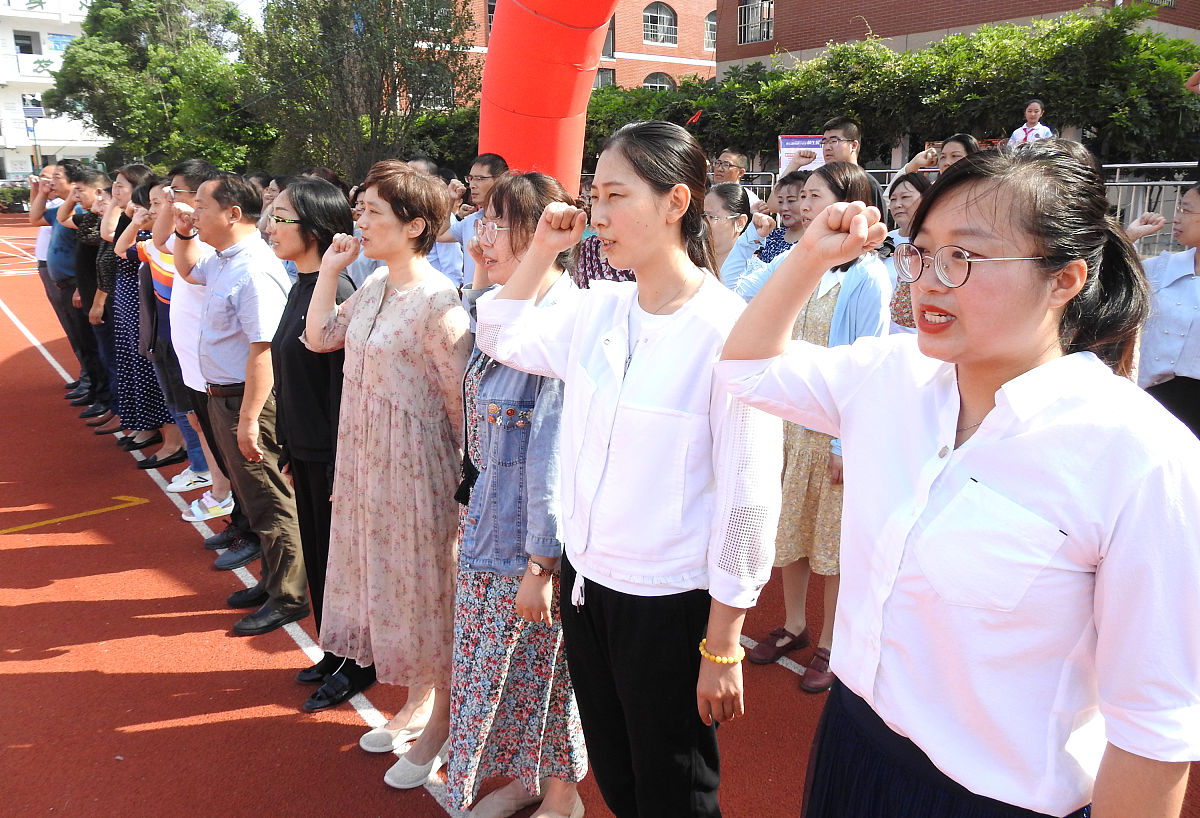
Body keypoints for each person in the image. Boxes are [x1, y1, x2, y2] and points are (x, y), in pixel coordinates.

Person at [718, 140, 1198, 817]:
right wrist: (810, 255)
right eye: (922, 250)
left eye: (964, 256)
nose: (930, 278)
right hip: (853, 746)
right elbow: (743, 368)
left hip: (995, 799)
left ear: (1065, 280)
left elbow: (1154, 731)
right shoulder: (892, 375)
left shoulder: (1139, 457)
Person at [476, 120, 782, 818]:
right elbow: (500, 330)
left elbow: (749, 498)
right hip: (589, 588)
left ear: (676, 202)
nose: (598, 214)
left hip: (670, 602)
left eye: (615, 195)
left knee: (676, 788)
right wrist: (545, 249)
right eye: (593, 194)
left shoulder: (728, 331)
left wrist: (725, 643)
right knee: (617, 774)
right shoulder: (599, 310)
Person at [304, 160, 472, 789]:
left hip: (419, 472)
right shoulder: (372, 285)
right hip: (366, 462)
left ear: (417, 224)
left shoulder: (439, 300)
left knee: (430, 592)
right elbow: (319, 336)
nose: (361, 221)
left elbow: (460, 401)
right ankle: (419, 702)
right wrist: (330, 270)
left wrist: (463, 491)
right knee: (395, 586)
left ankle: (442, 724)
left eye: (374, 211)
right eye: (362, 208)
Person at [449, 171, 588, 818]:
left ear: (541, 233)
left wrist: (542, 559)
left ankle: (562, 797)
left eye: (496, 224)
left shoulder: (564, 319)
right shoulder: (503, 303)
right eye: (480, 221)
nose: (483, 237)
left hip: (530, 540)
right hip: (487, 524)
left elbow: (552, 457)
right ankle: (529, 779)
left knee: (552, 671)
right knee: (501, 673)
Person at [741, 162, 890, 696]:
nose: (802, 205)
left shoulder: (868, 276)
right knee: (794, 533)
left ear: (846, 201)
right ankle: (796, 624)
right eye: (801, 196)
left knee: (834, 544)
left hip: (831, 434)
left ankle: (831, 639)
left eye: (815, 196)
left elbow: (866, 365)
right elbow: (740, 292)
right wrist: (749, 236)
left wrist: (843, 442)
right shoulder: (799, 261)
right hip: (788, 428)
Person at [172, 173, 310, 636]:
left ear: (233, 213)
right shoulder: (225, 258)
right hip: (223, 395)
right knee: (254, 500)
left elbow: (264, 349)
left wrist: (250, 418)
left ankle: (289, 597)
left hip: (245, 400)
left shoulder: (253, 267)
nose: (195, 213)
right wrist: (185, 232)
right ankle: (273, 582)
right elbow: (188, 269)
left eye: (202, 208)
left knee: (270, 500)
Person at [262, 176, 373, 711]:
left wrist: (336, 465)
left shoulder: (339, 293)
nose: (271, 227)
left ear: (312, 224)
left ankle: (357, 663)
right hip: (303, 450)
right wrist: (287, 444)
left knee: (340, 561)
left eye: (281, 217)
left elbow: (340, 391)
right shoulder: (301, 284)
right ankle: (335, 649)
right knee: (320, 555)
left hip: (331, 457)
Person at [1136, 182, 1200, 437]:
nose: (1176, 219)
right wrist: (1129, 236)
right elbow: (1106, 278)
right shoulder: (1162, 269)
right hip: (1154, 402)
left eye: (1186, 210)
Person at [440, 152, 509, 288]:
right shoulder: (471, 220)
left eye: (480, 179)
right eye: (471, 178)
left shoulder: (515, 223)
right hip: (471, 306)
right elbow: (440, 235)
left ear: (501, 180)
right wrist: (450, 200)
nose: (472, 185)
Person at [883, 172, 932, 334]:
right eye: (893, 199)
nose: (897, 204)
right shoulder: (883, 240)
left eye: (905, 197)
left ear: (926, 199)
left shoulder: (936, 243)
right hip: (884, 338)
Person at [901, 133, 981, 178]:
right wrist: (915, 163)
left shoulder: (986, 192)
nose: (947, 162)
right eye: (943, 157)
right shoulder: (933, 193)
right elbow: (893, 197)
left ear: (972, 159)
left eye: (955, 156)